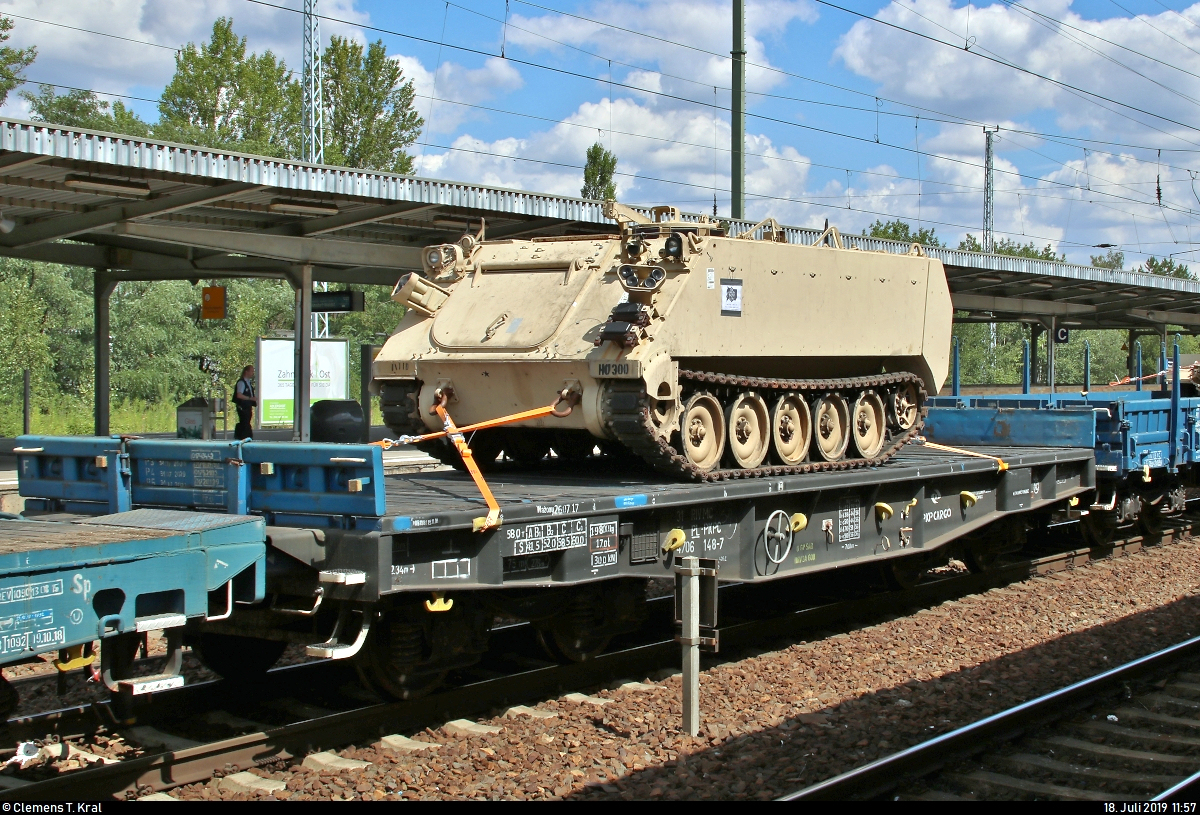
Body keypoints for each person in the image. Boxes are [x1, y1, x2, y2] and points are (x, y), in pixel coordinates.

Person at [234, 365, 256, 440]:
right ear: (246, 372)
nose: (252, 373)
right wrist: (250, 398)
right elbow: (239, 395)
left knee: (247, 422)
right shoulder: (241, 382)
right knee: (244, 423)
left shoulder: (248, 382)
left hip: (248, 407)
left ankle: (247, 436)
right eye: (251, 371)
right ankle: (243, 437)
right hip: (243, 407)